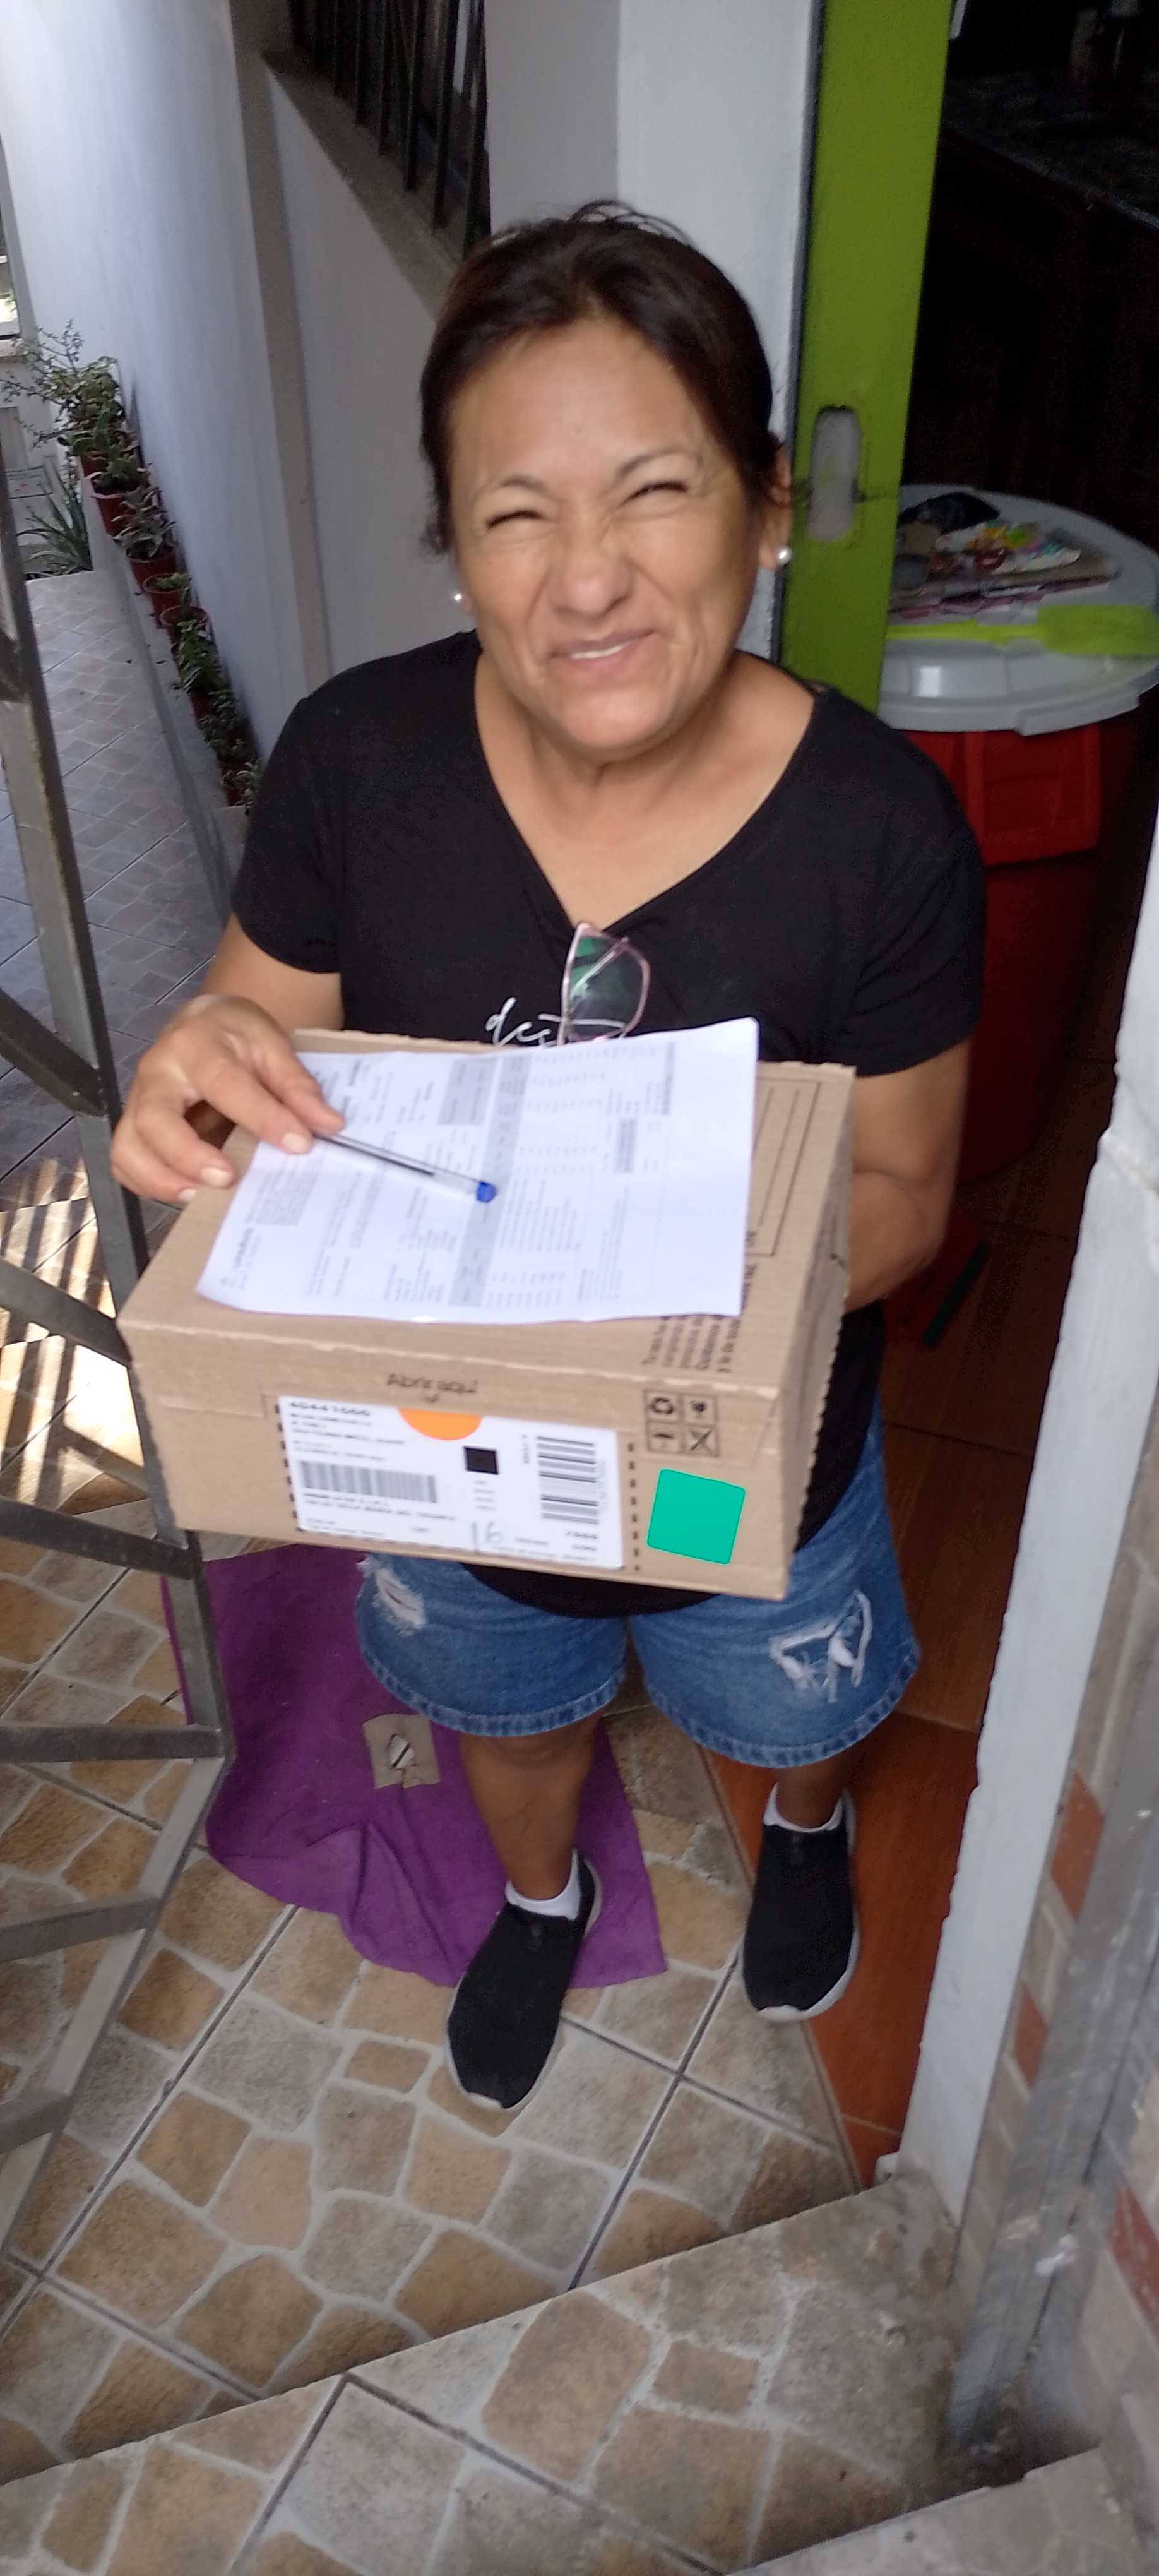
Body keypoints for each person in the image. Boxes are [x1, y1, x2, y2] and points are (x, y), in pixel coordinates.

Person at [112, 203, 984, 2115]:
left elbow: (907, 1191)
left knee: (789, 1695)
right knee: (500, 1703)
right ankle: (538, 1894)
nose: (587, 580)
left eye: (655, 490)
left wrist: (646, 1346)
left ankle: (808, 1831)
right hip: (453, 1461)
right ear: (455, 544)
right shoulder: (357, 764)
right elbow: (257, 1032)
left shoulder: (881, 834)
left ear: (766, 509)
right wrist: (202, 1069)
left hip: (743, 1457)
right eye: (516, 513)